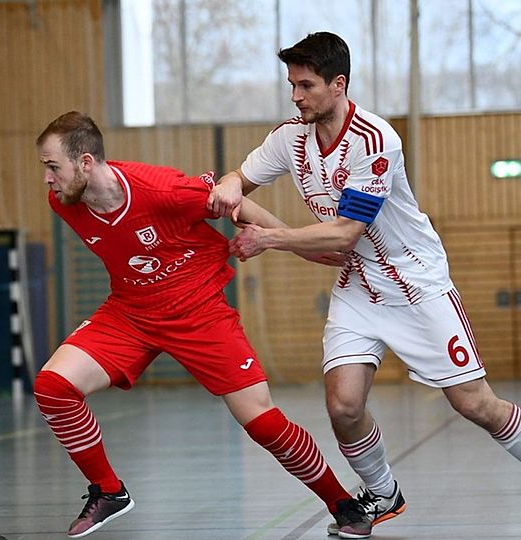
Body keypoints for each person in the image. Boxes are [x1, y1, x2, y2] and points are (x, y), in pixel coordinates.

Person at [207, 31, 521, 539]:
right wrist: (224, 187)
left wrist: (270, 238)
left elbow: (345, 232)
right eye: (291, 84)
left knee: (474, 405)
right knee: (343, 405)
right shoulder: (290, 137)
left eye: (306, 85)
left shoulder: (375, 140)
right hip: (359, 285)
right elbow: (239, 178)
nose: (296, 95)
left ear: (339, 84)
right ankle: (383, 492)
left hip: (416, 284)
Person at [34, 111, 369, 539]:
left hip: (197, 311)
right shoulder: (63, 203)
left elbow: (236, 202)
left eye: (52, 166)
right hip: (131, 311)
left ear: (84, 163)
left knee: (261, 420)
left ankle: (341, 501)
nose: (47, 178)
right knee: (53, 387)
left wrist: (298, 244)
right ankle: (109, 491)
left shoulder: (160, 190)